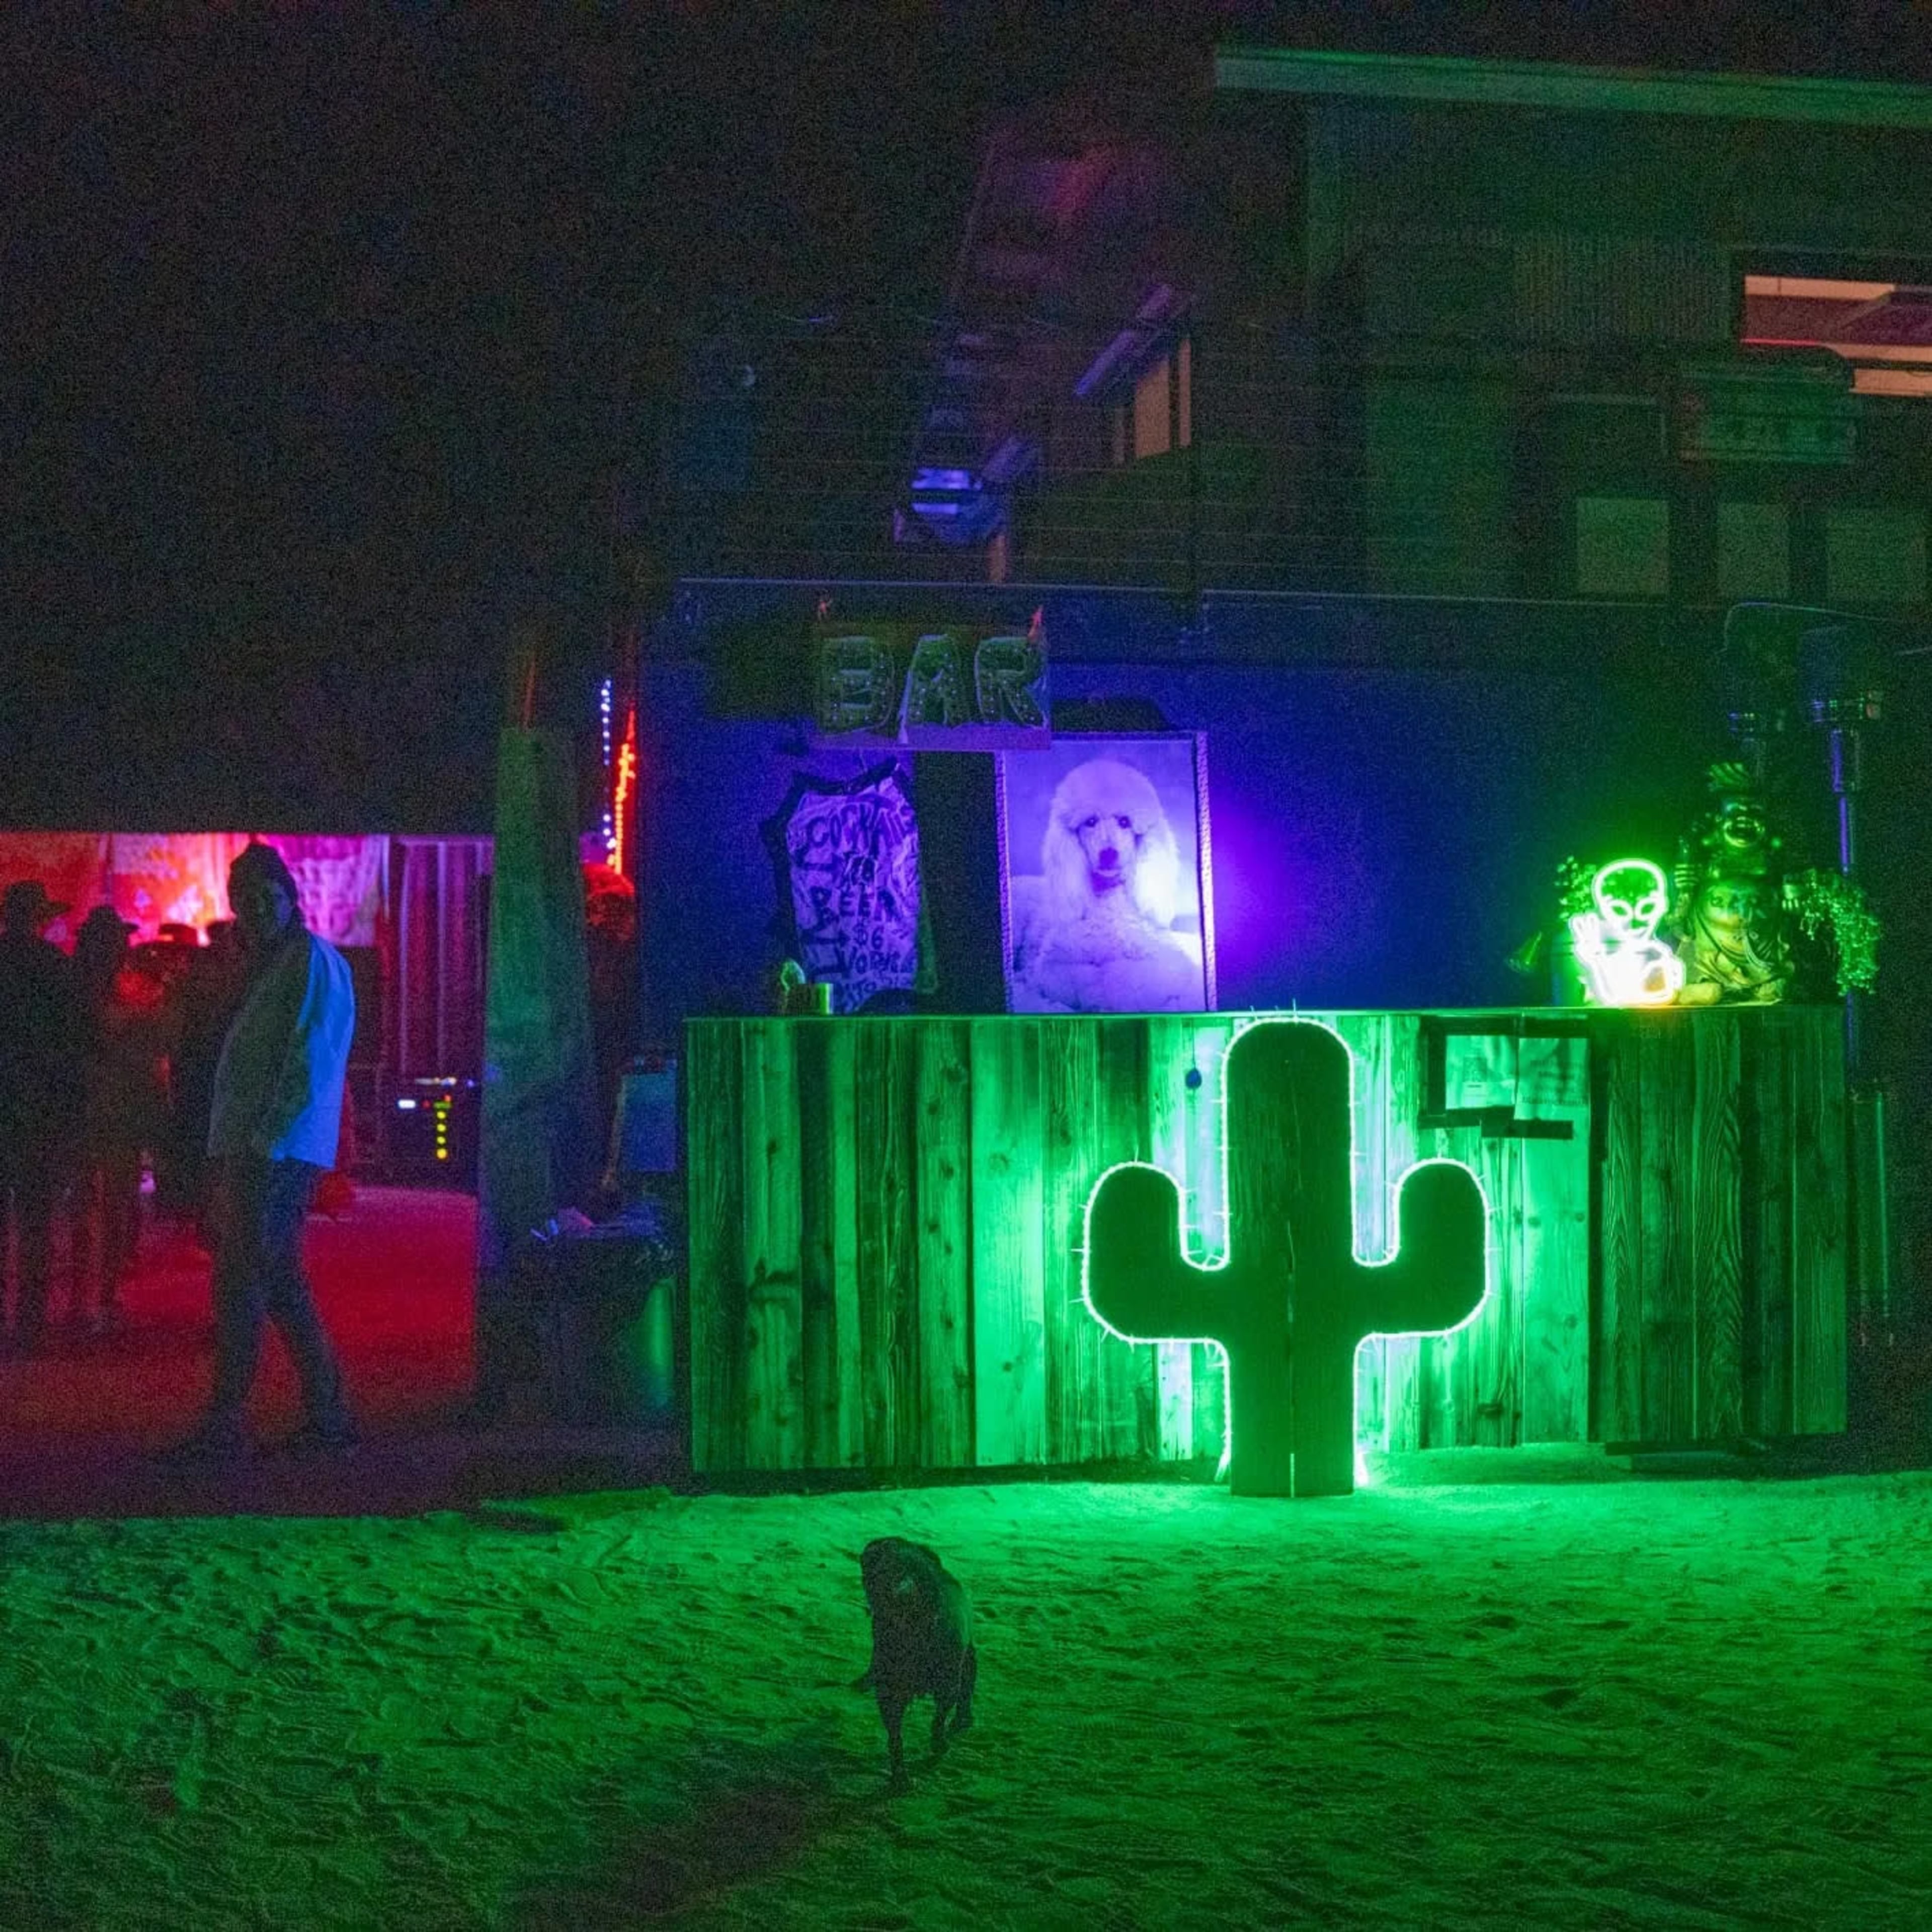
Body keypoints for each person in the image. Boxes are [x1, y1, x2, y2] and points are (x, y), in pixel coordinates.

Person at [166, 843, 359, 1460]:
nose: (251, 909)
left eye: (262, 897)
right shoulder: (278, 965)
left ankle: (229, 1422)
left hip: (274, 1151)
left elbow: (309, 1061)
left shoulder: (308, 963)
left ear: (289, 898)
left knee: (244, 1278)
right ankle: (325, 1416)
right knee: (274, 1278)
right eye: (243, 898)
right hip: (263, 1147)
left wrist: (262, 1141)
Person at [70, 905, 169, 1334]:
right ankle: (92, 1296)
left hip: (109, 1113)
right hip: (98, 1111)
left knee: (105, 1207)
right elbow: (103, 1034)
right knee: (94, 1207)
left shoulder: (113, 987)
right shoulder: (89, 991)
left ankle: (97, 1295)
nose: (124, 948)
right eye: (117, 940)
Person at [0, 881, 82, 1354]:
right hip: (38, 1112)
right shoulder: (55, 968)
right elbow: (75, 1045)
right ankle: (30, 1322)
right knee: (35, 1221)